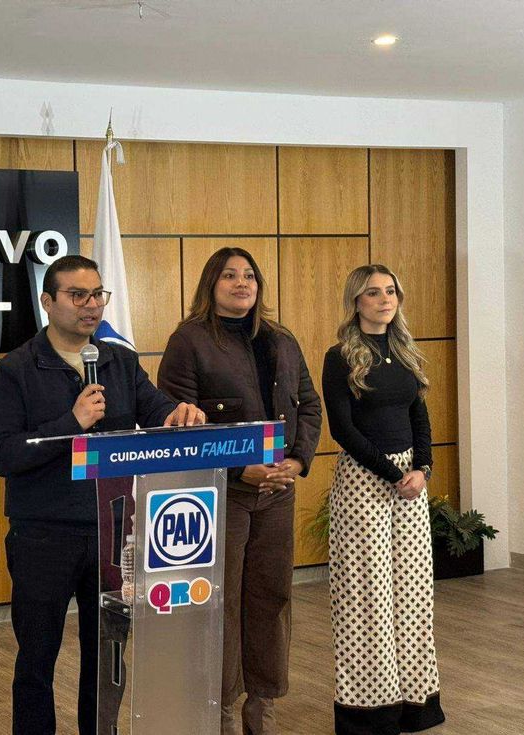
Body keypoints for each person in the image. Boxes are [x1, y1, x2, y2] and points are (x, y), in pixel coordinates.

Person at [0, 254, 205, 735]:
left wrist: (178, 413)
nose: (91, 306)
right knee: (37, 659)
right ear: (48, 301)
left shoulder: (118, 359)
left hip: (112, 534)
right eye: (77, 295)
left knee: (106, 657)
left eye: (97, 295)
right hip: (43, 537)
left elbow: (156, 406)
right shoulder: (18, 368)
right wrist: (71, 425)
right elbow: (3, 454)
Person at [157, 246, 321, 735]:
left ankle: (262, 705)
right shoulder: (188, 340)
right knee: (220, 602)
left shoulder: (281, 340)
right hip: (220, 495)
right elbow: (177, 422)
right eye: (229, 276)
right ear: (211, 284)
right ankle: (221, 708)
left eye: (249, 275)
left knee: (271, 598)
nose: (241, 283)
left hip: (278, 493)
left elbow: (308, 405)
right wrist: (237, 470)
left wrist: (296, 461)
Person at [321, 264, 444, 735]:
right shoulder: (340, 357)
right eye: (372, 293)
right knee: (367, 599)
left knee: (413, 596)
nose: (383, 299)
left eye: (390, 290)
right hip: (364, 483)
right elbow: (343, 430)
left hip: (410, 482)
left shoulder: (405, 352)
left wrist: (423, 469)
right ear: (356, 302)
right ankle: (370, 714)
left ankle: (415, 705)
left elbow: (420, 416)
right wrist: (395, 474)